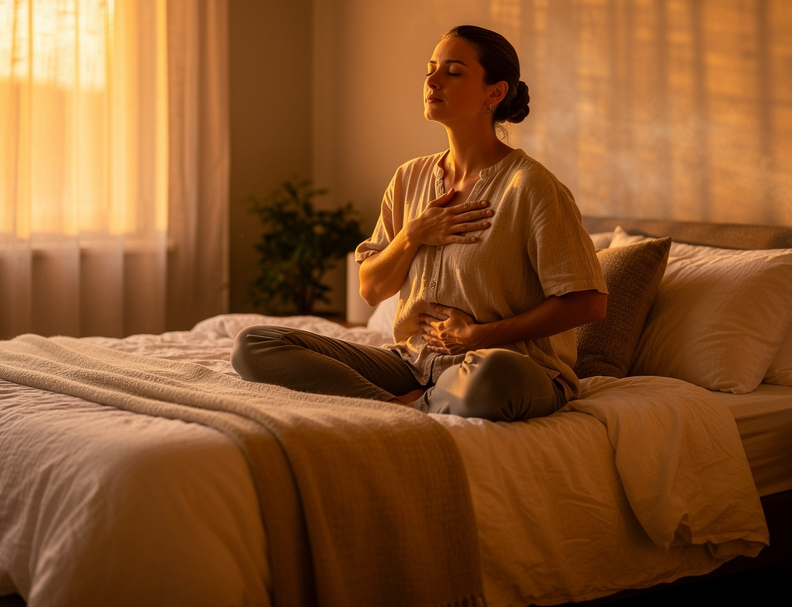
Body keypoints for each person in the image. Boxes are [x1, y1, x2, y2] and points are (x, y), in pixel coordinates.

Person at [232, 25, 607, 421]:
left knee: (493, 374)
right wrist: (413, 234)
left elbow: (589, 303)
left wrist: (478, 336)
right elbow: (371, 289)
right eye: (430, 69)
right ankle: (404, 408)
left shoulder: (531, 186)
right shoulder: (408, 178)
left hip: (503, 367)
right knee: (255, 345)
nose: (432, 80)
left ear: (495, 92)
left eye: (453, 71)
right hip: (412, 365)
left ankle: (404, 406)